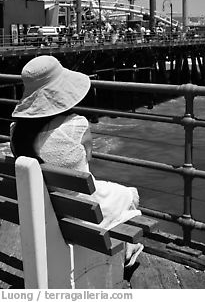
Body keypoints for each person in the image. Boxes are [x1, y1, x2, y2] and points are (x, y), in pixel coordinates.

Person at [10, 55, 143, 268]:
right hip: (80, 209)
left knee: (113, 194)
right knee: (130, 195)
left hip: (42, 207)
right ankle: (125, 249)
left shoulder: (17, 132)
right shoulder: (76, 125)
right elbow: (86, 160)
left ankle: (124, 247)